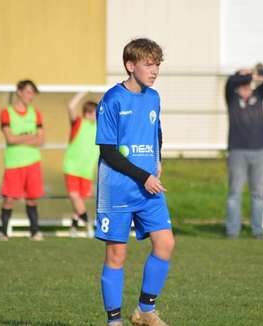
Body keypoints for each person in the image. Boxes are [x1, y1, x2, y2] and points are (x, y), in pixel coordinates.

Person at [95, 38, 175, 326]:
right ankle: (113, 321)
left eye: (157, 65)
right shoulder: (112, 100)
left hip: (149, 186)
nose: (154, 71)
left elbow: (157, 131)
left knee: (165, 243)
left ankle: (144, 311)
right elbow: (108, 152)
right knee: (117, 253)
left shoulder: (154, 97)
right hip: (118, 187)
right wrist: (144, 176)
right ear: (131, 65)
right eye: (148, 64)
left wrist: (158, 158)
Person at [225, 63, 263, 239]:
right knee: (235, 193)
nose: (247, 81)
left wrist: (256, 72)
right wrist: (244, 74)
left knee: (258, 194)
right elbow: (231, 80)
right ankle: (232, 232)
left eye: (249, 77)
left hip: (260, 151)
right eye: (244, 77)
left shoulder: (259, 95)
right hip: (237, 152)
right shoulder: (231, 97)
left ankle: (257, 231)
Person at [0, 79, 44, 241]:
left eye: (33, 93)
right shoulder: (6, 112)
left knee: (32, 199)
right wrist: (30, 136)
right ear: (19, 91)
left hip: (33, 162)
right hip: (13, 162)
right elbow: (9, 138)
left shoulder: (36, 113)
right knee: (9, 199)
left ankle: (35, 232)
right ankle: (3, 233)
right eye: (28, 92)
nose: (30, 96)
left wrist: (21, 137)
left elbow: (41, 140)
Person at [63, 92, 99, 237]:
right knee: (74, 196)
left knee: (79, 202)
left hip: (86, 170)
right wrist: (82, 93)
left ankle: (73, 228)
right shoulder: (78, 123)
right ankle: (89, 224)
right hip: (71, 167)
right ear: (87, 113)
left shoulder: (99, 128)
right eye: (95, 113)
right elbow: (71, 107)